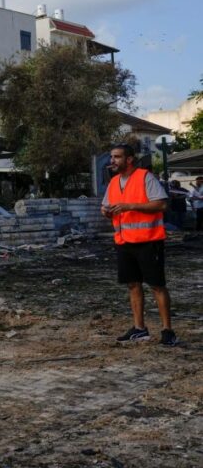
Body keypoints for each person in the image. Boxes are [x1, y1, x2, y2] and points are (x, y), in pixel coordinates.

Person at [101, 144, 176, 346]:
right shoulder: (114, 182)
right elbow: (105, 206)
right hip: (124, 242)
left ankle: (167, 331)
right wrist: (106, 211)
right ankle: (139, 328)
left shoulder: (145, 177)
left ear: (129, 159)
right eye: (112, 157)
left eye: (117, 157)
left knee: (157, 285)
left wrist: (130, 206)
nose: (112, 161)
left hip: (149, 241)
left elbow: (161, 204)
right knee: (133, 284)